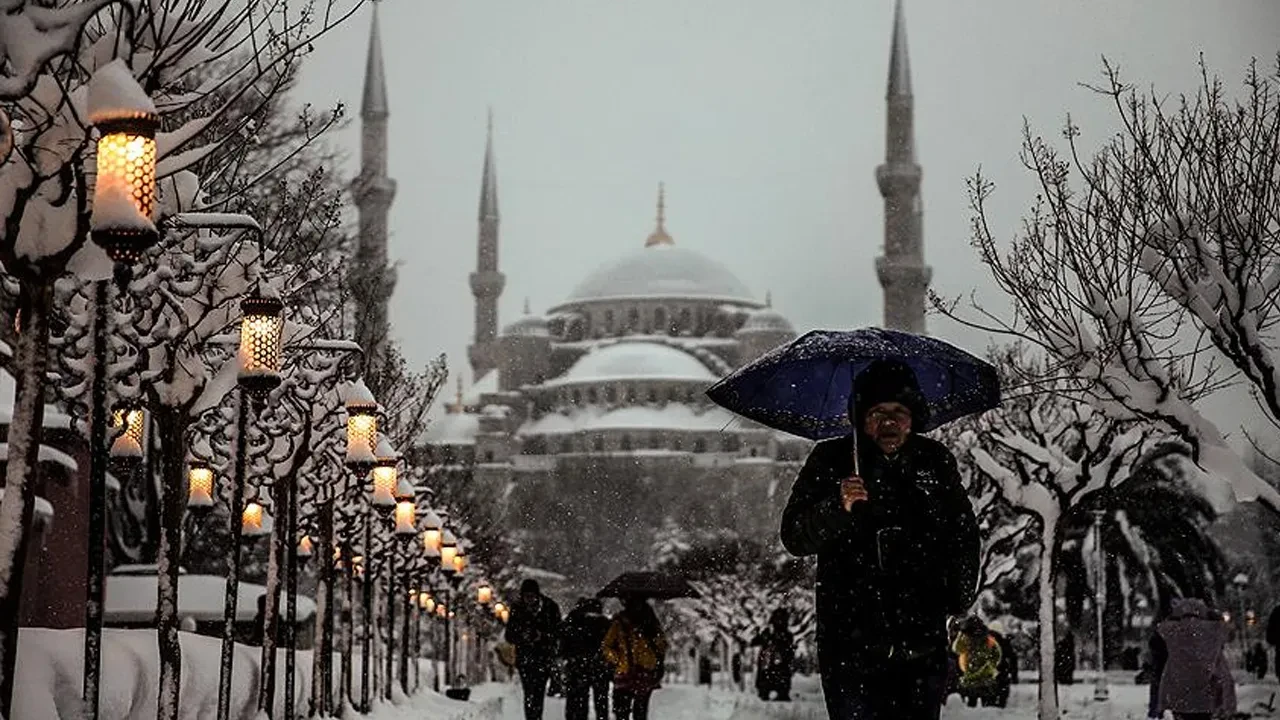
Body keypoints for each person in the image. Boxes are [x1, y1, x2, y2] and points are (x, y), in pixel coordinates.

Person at [781, 358, 981, 720]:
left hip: (921, 641)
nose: (889, 422)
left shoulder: (933, 462)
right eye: (877, 412)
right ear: (861, 416)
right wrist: (836, 507)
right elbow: (795, 536)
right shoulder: (832, 460)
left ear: (913, 416)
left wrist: (955, 595)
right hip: (850, 643)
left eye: (898, 411)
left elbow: (963, 534)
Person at [1154, 598, 1237, 720]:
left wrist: (1174, 616)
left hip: (1180, 693)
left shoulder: (1172, 630)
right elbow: (1230, 632)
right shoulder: (1214, 630)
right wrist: (1215, 616)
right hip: (1207, 692)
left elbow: (1159, 628)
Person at [506, 579, 563, 720]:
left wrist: (542, 636)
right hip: (525, 658)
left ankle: (535, 717)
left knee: (538, 691)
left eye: (532, 596)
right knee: (529, 692)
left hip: (543, 658)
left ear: (537, 595)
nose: (529, 600)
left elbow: (559, 633)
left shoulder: (550, 607)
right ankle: (532, 717)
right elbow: (509, 635)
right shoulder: (517, 609)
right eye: (526, 596)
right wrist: (522, 636)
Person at [602, 595, 667, 720]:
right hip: (643, 672)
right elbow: (662, 646)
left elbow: (607, 646)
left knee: (623, 711)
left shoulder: (620, 622)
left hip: (625, 672)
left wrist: (618, 660)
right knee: (639, 711)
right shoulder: (651, 622)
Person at [561, 597, 612, 720]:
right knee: (601, 702)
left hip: (578, 667)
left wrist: (569, 658)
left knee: (578, 703)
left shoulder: (572, 622)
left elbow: (564, 644)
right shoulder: (604, 623)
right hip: (598, 666)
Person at [952, 616, 1002, 708]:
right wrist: (991, 665)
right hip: (984, 674)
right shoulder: (987, 639)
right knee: (985, 702)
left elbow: (956, 649)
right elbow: (997, 654)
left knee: (973, 701)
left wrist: (960, 635)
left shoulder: (966, 639)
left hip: (972, 673)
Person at [751, 608, 796, 701]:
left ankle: (776, 693)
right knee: (773, 678)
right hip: (772, 661)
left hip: (776, 661)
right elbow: (756, 641)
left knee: (774, 677)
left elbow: (788, 647)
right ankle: (770, 693)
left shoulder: (783, 634)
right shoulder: (772, 632)